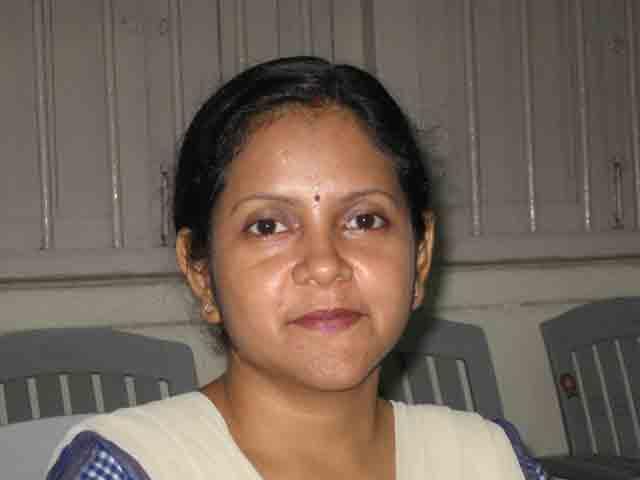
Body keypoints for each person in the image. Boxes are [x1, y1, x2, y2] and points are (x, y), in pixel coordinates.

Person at [47, 56, 526, 479]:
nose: (325, 265)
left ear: (420, 257)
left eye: (364, 220)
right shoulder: (133, 468)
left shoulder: (488, 460)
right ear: (201, 273)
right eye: (267, 226)